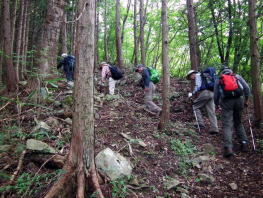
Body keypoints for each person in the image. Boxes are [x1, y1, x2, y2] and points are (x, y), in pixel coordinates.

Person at [214, 67, 250, 158]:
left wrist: (217, 104)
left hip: (226, 102)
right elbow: (247, 88)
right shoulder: (237, 76)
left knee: (227, 125)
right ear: (230, 71)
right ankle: (244, 143)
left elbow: (216, 94)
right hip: (239, 100)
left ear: (222, 72)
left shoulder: (219, 79)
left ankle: (228, 148)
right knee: (238, 122)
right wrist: (246, 100)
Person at [186, 70, 219, 134]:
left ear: (193, 74)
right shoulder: (205, 75)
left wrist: (192, 93)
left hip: (205, 93)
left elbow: (198, 86)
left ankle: (200, 123)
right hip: (212, 93)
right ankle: (214, 128)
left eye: (190, 77)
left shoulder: (198, 75)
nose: (191, 79)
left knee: (195, 106)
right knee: (211, 111)